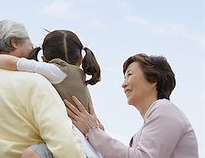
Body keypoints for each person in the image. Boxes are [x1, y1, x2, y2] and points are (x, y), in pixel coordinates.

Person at [0, 20, 85, 158]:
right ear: (15, 42)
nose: (33, 49)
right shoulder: (34, 82)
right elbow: (65, 145)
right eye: (30, 43)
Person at [65, 53, 199, 157]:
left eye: (129, 75)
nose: (123, 84)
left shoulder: (164, 108)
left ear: (153, 79)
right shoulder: (153, 121)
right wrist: (99, 132)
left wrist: (93, 132)